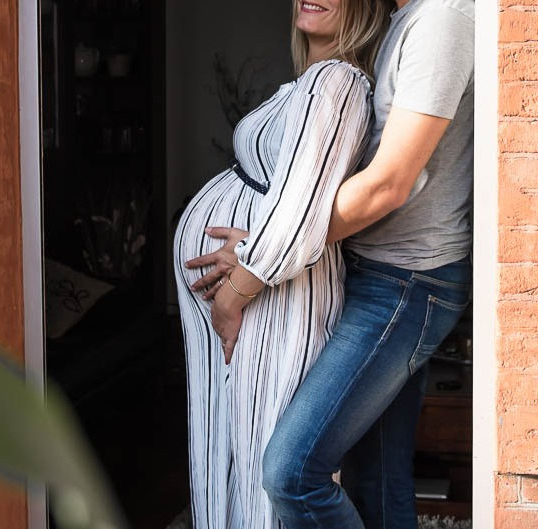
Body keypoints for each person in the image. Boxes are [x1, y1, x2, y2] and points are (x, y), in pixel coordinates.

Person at [189, 0, 475, 527]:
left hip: (406, 283)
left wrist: (256, 260)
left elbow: (389, 184)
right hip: (378, 272)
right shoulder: (404, 20)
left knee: (293, 473)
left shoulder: (443, 19)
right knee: (378, 481)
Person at [173, 1, 396, 527]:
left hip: (271, 294)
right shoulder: (308, 84)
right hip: (258, 296)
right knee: (227, 447)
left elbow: (301, 213)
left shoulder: (336, 82)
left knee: (258, 456)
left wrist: (232, 295)